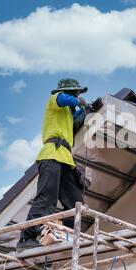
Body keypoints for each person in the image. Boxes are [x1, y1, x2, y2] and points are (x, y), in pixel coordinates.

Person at [16, 78, 88, 251]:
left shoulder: (66, 115)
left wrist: (87, 110)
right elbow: (63, 99)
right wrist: (79, 102)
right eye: (76, 93)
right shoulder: (55, 100)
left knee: (75, 202)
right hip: (52, 154)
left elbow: (75, 120)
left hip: (65, 158)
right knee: (46, 199)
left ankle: (68, 235)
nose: (78, 95)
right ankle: (26, 239)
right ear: (71, 92)